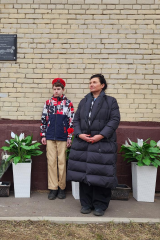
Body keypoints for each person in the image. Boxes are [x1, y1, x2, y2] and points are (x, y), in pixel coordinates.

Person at [67, 74, 120, 216]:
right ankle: (86, 204)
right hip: (84, 143)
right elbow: (76, 120)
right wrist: (78, 134)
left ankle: (100, 205)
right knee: (84, 174)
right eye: (90, 82)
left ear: (102, 85)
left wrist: (101, 136)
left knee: (101, 174)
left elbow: (114, 121)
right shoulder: (84, 101)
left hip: (102, 144)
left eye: (94, 82)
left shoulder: (111, 101)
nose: (91, 84)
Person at [40, 78, 74, 200]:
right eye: (54, 89)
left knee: (62, 162)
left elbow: (71, 121)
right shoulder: (48, 103)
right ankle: (53, 188)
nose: (56, 91)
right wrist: (43, 135)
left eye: (58, 89)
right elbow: (44, 119)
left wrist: (69, 137)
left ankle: (62, 188)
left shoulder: (68, 103)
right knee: (51, 162)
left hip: (63, 137)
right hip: (50, 137)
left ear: (63, 89)